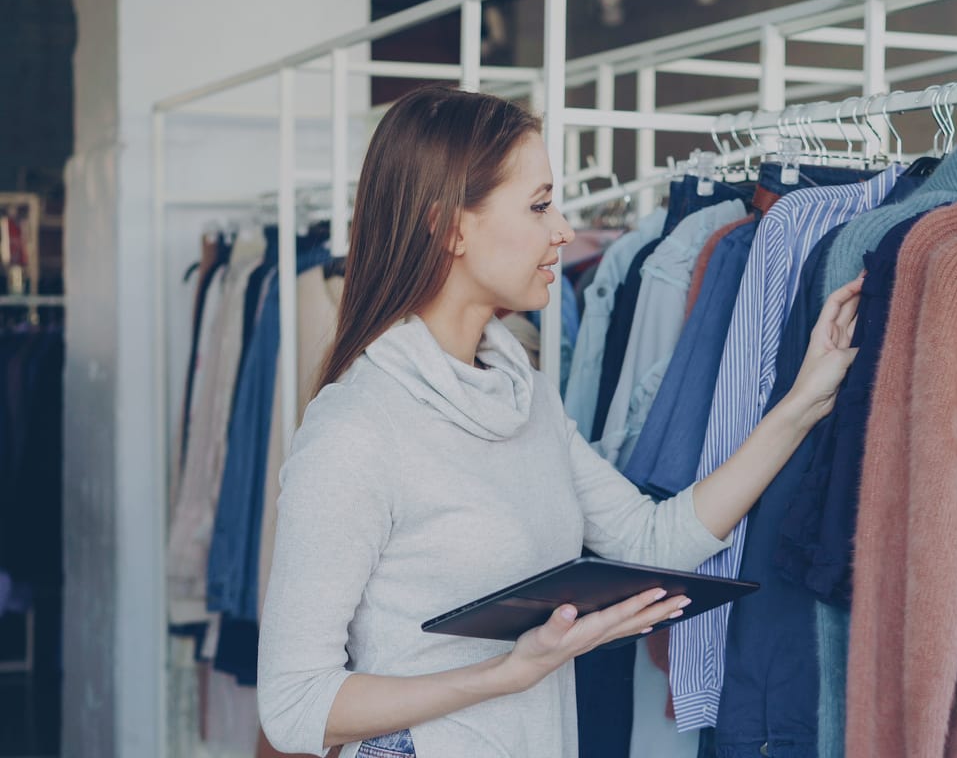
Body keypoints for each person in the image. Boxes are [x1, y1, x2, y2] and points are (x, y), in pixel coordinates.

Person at [257, 85, 863, 758]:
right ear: (451, 226)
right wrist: (507, 672)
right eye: (540, 204)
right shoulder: (357, 429)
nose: (565, 231)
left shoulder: (525, 395)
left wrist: (805, 399)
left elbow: (652, 541)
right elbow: (294, 706)